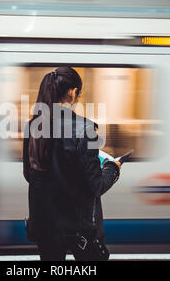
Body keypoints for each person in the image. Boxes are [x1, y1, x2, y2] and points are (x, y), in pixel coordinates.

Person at [22, 66, 121, 261]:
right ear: (73, 92)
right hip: (78, 229)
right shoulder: (86, 128)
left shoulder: (33, 127)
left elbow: (29, 175)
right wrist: (112, 169)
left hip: (45, 225)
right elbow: (95, 186)